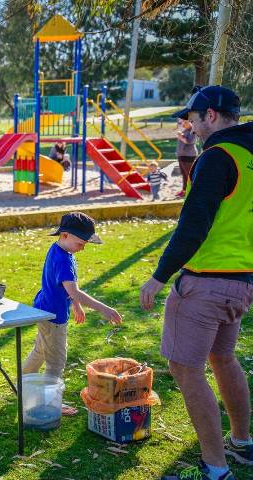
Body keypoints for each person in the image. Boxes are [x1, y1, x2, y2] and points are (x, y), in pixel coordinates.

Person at [140, 85, 253, 480]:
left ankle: (215, 466)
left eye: (194, 117)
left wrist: (159, 275)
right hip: (241, 282)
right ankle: (242, 441)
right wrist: (188, 149)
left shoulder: (219, 156)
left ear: (212, 116)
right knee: (223, 359)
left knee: (185, 368)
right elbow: (201, 189)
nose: (188, 123)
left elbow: (194, 222)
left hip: (204, 283)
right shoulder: (244, 153)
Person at [22, 212, 122, 416]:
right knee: (56, 362)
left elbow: (67, 289)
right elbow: (74, 291)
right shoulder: (65, 261)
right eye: (81, 243)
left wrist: (76, 305)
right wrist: (104, 308)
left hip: (45, 309)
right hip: (54, 316)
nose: (83, 247)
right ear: (65, 235)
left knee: (41, 350)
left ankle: (20, 382)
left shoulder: (61, 251)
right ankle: (51, 405)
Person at [176, 118, 198, 197]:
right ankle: (184, 190)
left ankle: (193, 191)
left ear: (190, 122)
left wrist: (181, 137)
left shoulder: (193, 131)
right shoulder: (185, 131)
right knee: (184, 174)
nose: (183, 124)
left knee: (189, 174)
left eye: (185, 122)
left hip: (188, 155)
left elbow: (190, 141)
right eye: (182, 122)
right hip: (181, 155)